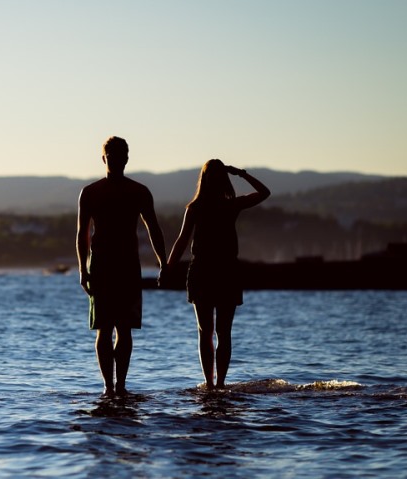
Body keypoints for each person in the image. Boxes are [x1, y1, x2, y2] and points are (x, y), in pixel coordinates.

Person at [164, 159, 270, 390]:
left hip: (212, 270)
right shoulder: (223, 206)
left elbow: (182, 241)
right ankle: (217, 384)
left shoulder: (208, 206)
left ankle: (213, 384)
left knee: (208, 332)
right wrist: (241, 174)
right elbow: (264, 192)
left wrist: (168, 268)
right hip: (218, 270)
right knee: (221, 332)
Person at [76, 136, 167, 397]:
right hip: (104, 264)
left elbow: (154, 230)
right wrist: (83, 269)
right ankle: (110, 387)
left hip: (124, 264)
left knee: (120, 329)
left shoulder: (137, 191)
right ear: (105, 158)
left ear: (125, 159)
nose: (115, 160)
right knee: (108, 329)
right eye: (112, 156)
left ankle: (118, 386)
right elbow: (82, 233)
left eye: (118, 156)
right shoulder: (92, 192)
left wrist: (164, 263)